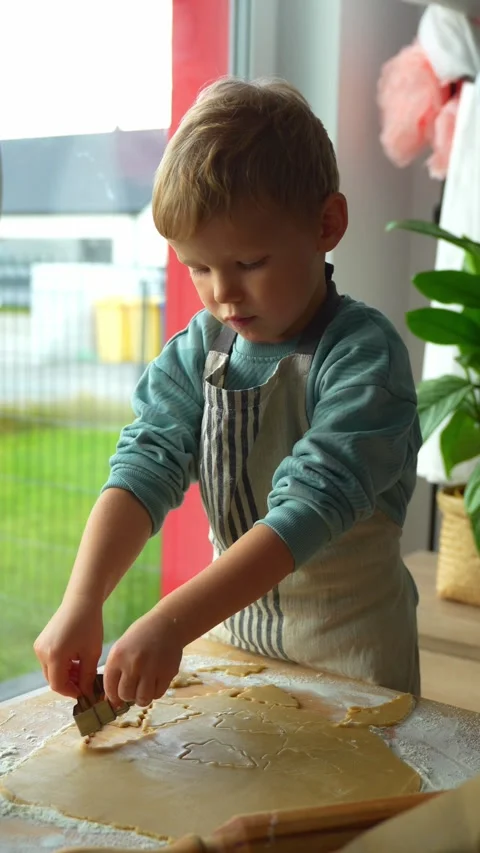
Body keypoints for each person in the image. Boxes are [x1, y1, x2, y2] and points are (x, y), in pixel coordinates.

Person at [34, 78, 422, 709]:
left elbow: (312, 505)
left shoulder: (363, 355)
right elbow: (145, 466)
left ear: (327, 224)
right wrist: (83, 599)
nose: (223, 294)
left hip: (353, 664)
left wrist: (171, 622)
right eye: (199, 267)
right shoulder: (199, 347)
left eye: (249, 263)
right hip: (232, 652)